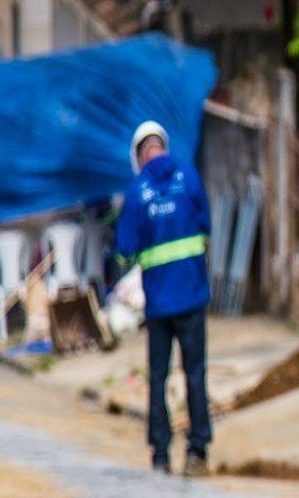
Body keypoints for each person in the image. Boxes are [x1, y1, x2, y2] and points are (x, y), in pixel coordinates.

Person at [115, 121, 215, 477]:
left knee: (158, 377)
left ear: (139, 155)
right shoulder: (189, 178)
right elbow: (206, 226)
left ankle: (160, 455)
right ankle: (198, 451)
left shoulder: (137, 191)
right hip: (192, 296)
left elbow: (124, 252)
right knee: (195, 374)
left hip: (158, 304)